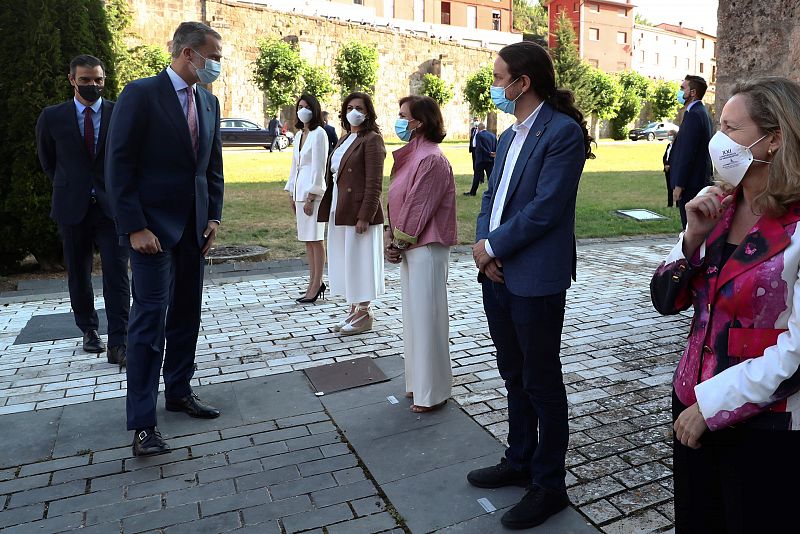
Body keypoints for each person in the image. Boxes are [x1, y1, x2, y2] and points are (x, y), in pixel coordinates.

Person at [651, 76, 800, 533]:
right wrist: (692, 237)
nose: (719, 140)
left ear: (773, 140)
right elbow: (664, 299)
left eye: (732, 129)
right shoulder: (720, 208)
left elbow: (797, 355)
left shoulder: (796, 228)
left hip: (764, 423)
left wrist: (712, 405)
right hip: (690, 403)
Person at [465, 41, 593, 530]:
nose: (495, 86)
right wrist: (484, 245)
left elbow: (546, 208)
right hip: (497, 271)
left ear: (523, 82)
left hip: (534, 277)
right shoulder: (511, 132)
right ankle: (519, 458)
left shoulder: (562, 133)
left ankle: (549, 484)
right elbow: (491, 198)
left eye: (500, 78)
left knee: (541, 381)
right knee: (512, 373)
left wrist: (492, 248)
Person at [106, 21, 225, 457]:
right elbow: (118, 165)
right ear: (188, 53)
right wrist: (134, 225)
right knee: (148, 323)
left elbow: (212, 167)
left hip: (195, 231)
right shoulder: (141, 94)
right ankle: (142, 422)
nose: (217, 63)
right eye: (213, 55)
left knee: (186, 316)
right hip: (152, 233)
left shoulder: (208, 102)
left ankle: (178, 389)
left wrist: (213, 216)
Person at [35, 54, 130, 366]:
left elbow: (127, 158)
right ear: (72, 80)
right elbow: (48, 161)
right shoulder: (52, 117)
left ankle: (120, 340)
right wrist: (72, 186)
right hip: (72, 207)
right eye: (86, 80)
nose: (93, 85)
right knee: (79, 274)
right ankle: (88, 330)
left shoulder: (118, 113)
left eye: (98, 80)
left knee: (117, 275)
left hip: (110, 208)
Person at [385, 95, 457, 413]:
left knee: (428, 321)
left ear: (421, 122)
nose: (400, 121)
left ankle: (433, 393)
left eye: (404, 116)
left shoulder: (431, 159)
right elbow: (399, 203)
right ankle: (417, 385)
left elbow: (418, 208)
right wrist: (392, 237)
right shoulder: (412, 156)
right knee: (415, 321)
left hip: (426, 247)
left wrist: (397, 242)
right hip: (411, 247)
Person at [318, 92, 386, 336]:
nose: (353, 111)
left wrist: (365, 215)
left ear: (368, 112)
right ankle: (353, 307)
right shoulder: (345, 138)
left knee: (361, 259)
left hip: (359, 210)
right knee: (346, 259)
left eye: (359, 107)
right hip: (340, 206)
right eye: (349, 107)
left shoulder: (372, 139)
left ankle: (364, 311)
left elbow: (374, 182)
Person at [285, 94, 328, 303]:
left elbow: (320, 166)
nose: (302, 110)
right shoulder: (300, 134)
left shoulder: (319, 134)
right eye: (300, 106)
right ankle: (312, 281)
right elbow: (295, 166)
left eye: (306, 106)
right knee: (307, 241)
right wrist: (292, 193)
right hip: (300, 192)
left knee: (316, 239)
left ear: (315, 109)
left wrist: (312, 196)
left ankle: (318, 281)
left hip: (313, 194)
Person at [671, 75, 713, 228]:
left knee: (690, 228)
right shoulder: (698, 112)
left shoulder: (695, 115)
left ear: (693, 92)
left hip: (691, 184)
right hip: (696, 181)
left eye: (683, 88)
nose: (680, 91)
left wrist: (679, 185)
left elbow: (687, 154)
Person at [464, 122, 497, 196]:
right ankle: (494, 191)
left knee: (477, 175)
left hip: (481, 159)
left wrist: (488, 152)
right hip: (490, 159)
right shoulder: (493, 136)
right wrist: (493, 153)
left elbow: (480, 146)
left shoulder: (479, 135)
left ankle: (473, 192)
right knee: (490, 176)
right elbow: (495, 145)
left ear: (479, 129)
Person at [663, 129, 677, 208]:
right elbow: (665, 157)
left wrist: (670, 165)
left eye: (670, 134)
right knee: (669, 187)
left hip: (673, 169)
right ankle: (670, 204)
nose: (669, 136)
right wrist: (665, 164)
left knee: (675, 186)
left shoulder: (677, 146)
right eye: (668, 134)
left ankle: (678, 204)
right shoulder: (669, 145)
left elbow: (675, 157)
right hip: (667, 169)